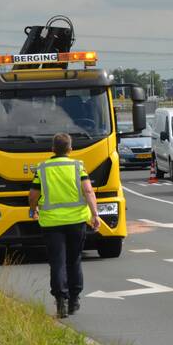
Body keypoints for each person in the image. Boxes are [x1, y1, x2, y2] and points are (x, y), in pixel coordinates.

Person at [28, 133, 100, 318]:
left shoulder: (42, 169)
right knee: (74, 260)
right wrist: (95, 215)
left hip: (51, 223)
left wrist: (32, 210)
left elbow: (33, 194)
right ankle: (74, 299)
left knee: (57, 261)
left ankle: (61, 300)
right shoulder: (78, 167)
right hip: (76, 221)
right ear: (70, 149)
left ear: (52, 149)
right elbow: (88, 191)